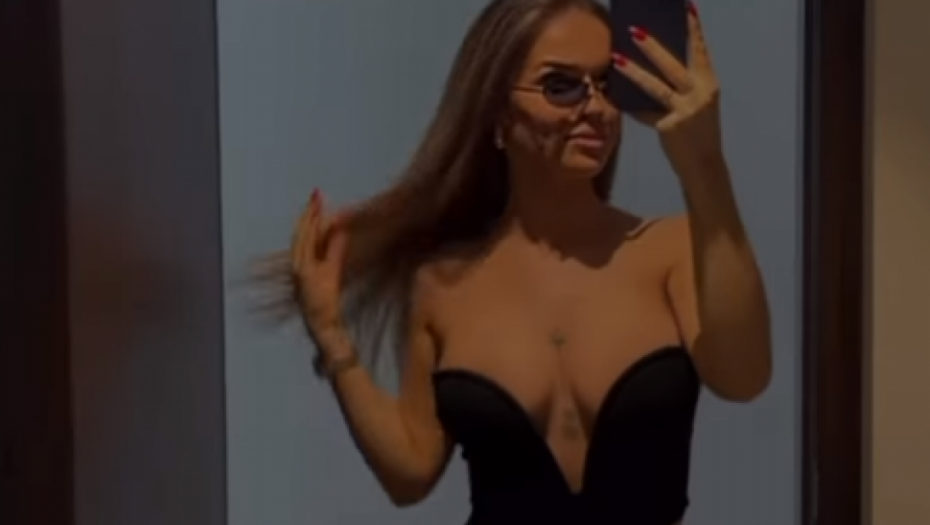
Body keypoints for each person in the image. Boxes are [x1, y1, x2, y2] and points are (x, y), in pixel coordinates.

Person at [271, 0, 772, 523]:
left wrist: (703, 162)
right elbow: (410, 473)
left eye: (609, 83)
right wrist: (331, 334)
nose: (597, 108)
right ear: (496, 114)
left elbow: (744, 377)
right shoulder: (442, 285)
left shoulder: (674, 250)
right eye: (562, 85)